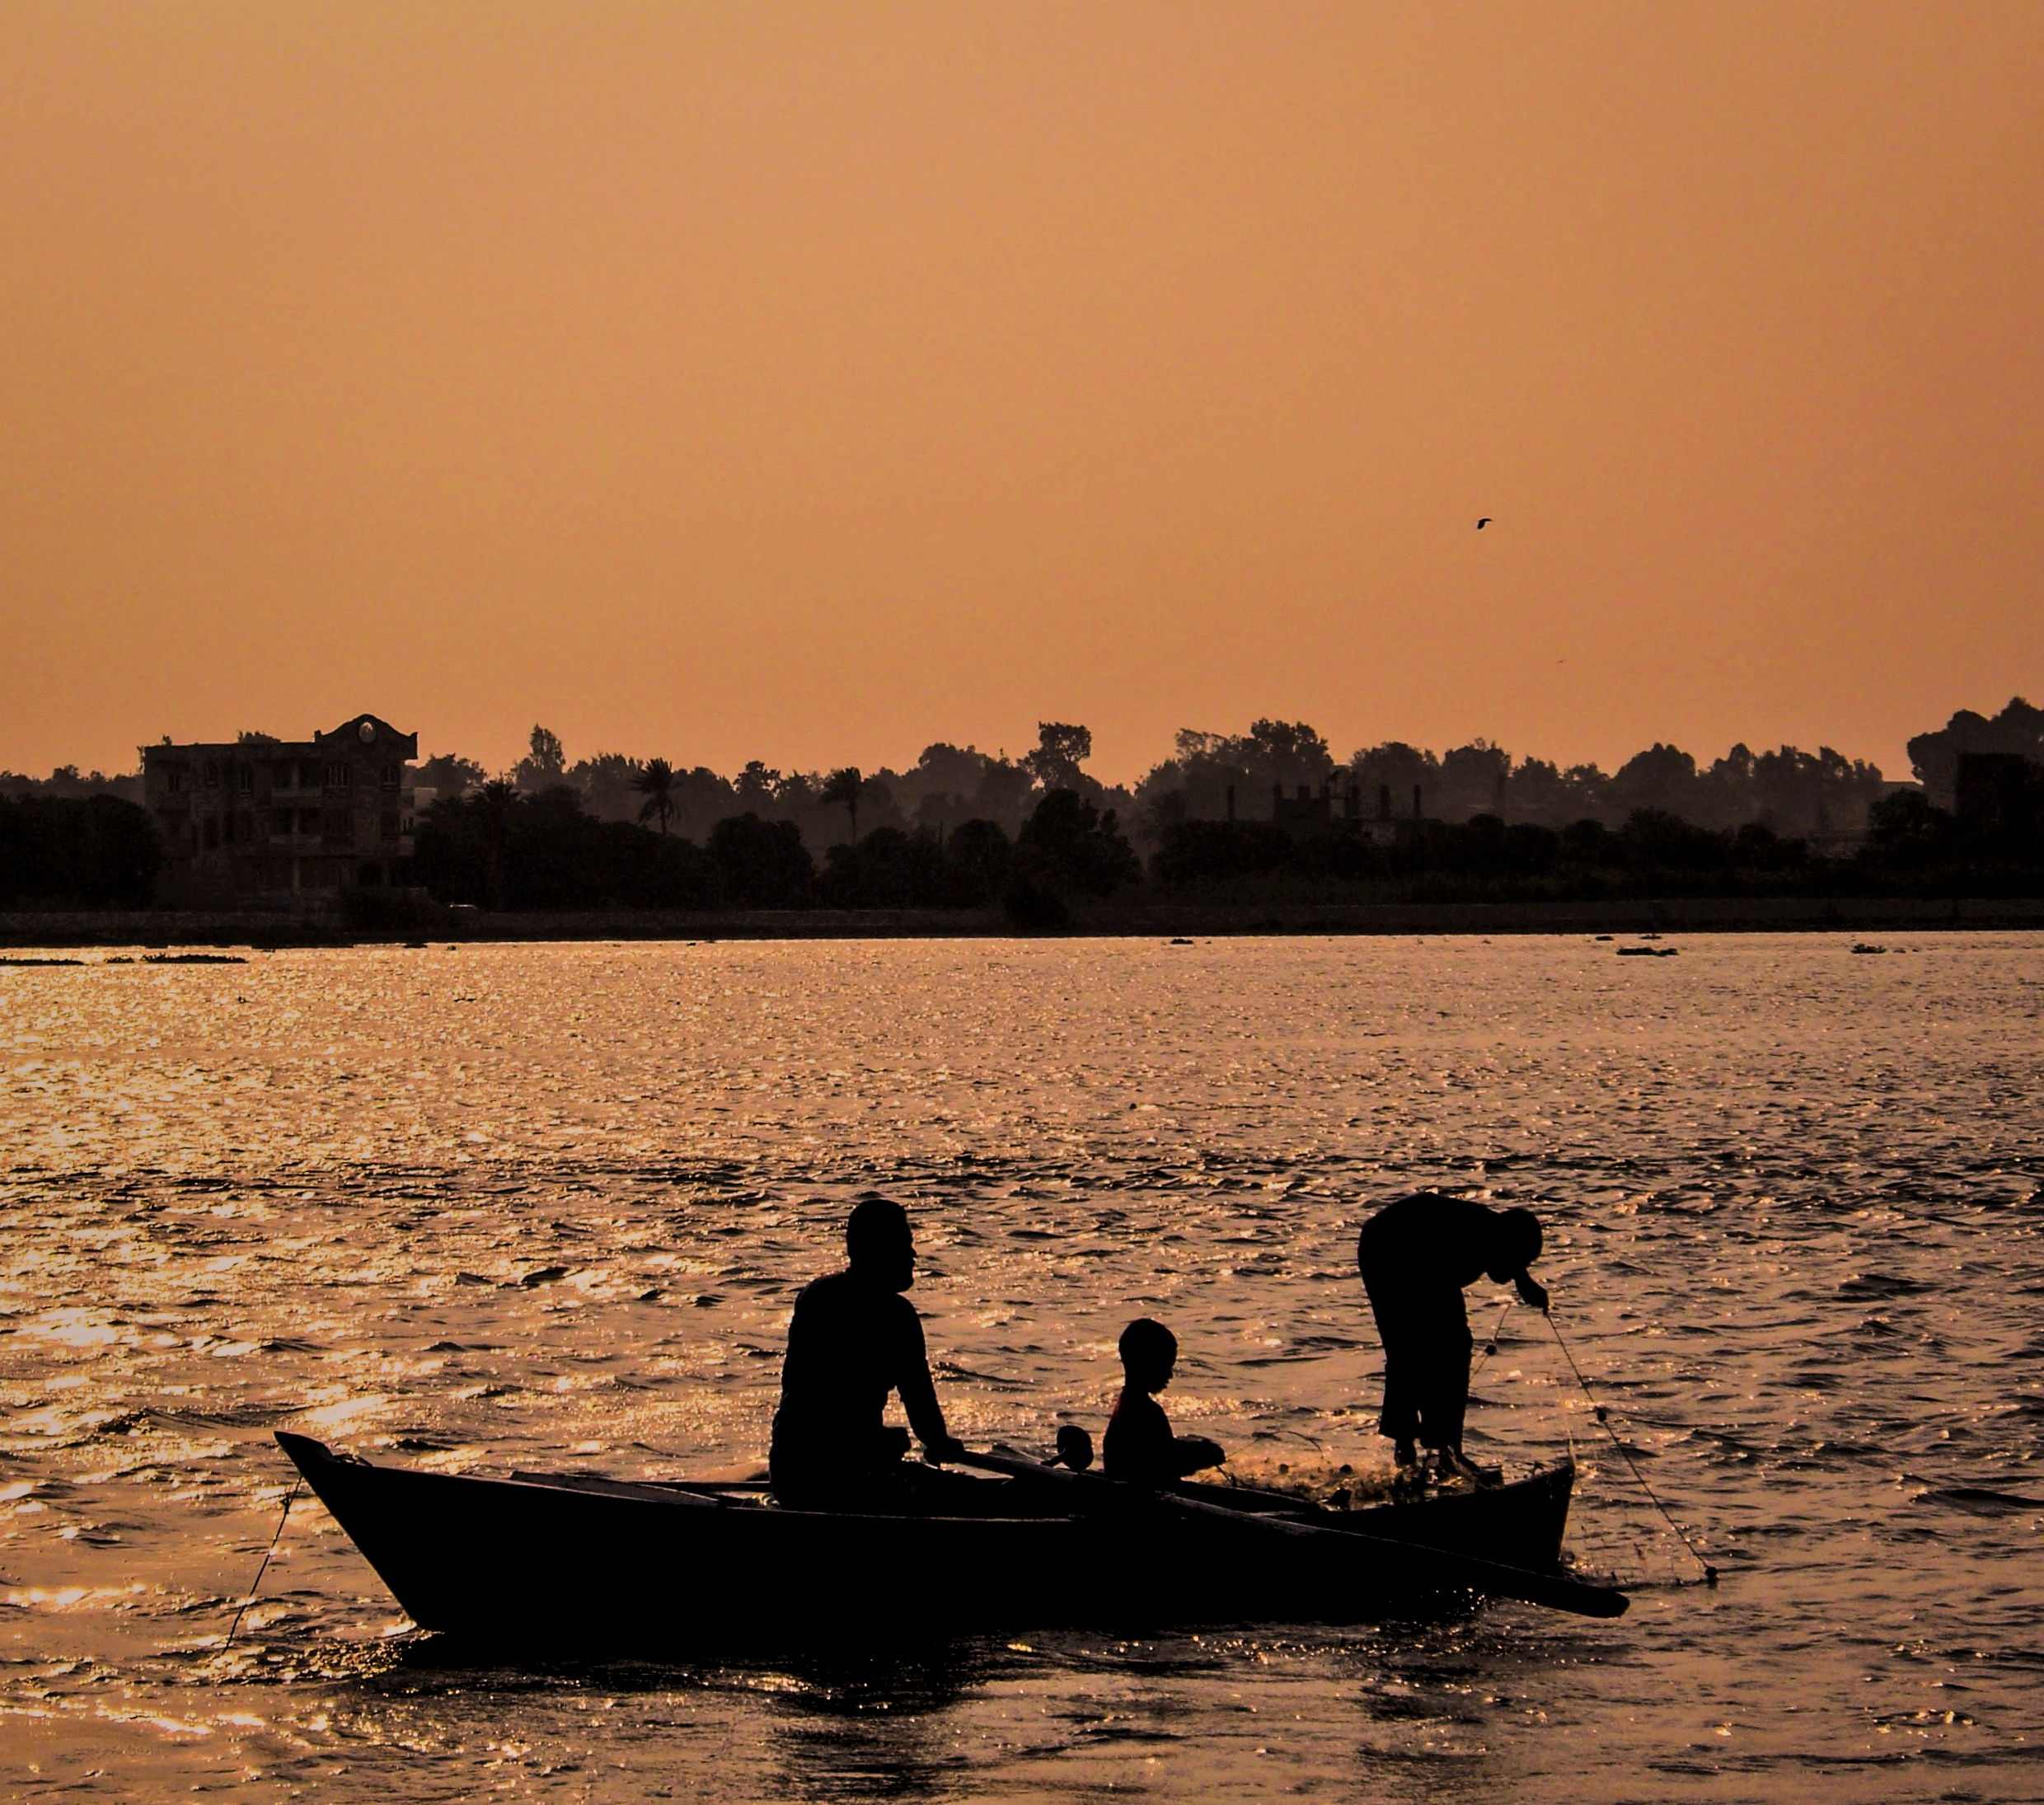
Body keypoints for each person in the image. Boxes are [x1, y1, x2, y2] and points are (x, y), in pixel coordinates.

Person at [769, 1197, 966, 1508]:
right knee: (956, 1499)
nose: (913, 1254)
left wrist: (880, 1439)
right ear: (876, 1250)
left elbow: (823, 1401)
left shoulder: (816, 1294)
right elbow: (921, 1409)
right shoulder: (897, 1316)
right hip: (841, 1479)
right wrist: (941, 1444)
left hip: (788, 1471)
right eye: (903, 1244)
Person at [1357, 1193, 1549, 1474]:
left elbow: (1506, 1254)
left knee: (1441, 1347)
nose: (1514, 1273)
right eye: (1521, 1262)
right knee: (1415, 1348)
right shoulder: (1467, 1240)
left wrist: (1524, 1280)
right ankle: (1424, 1451)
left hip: (1412, 1250)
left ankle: (1443, 1450)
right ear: (1508, 1246)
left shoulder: (1496, 1238)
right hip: (1390, 1247)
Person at [1102, 1318, 1226, 1484]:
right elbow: (1167, 1461)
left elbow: (1162, 1449)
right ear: (1147, 1364)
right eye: (1166, 1366)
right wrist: (1204, 1455)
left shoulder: (1125, 1405)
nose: (1170, 1375)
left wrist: (1194, 1449)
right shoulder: (1145, 1411)